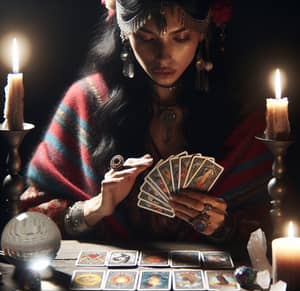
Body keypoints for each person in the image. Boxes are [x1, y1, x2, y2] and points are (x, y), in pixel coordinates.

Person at [19, 0, 273, 245]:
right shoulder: (87, 101)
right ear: (124, 34)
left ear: (203, 34)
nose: (164, 56)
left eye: (181, 37)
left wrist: (222, 226)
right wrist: (94, 208)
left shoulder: (239, 110)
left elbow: (272, 225)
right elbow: (29, 224)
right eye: (147, 37)